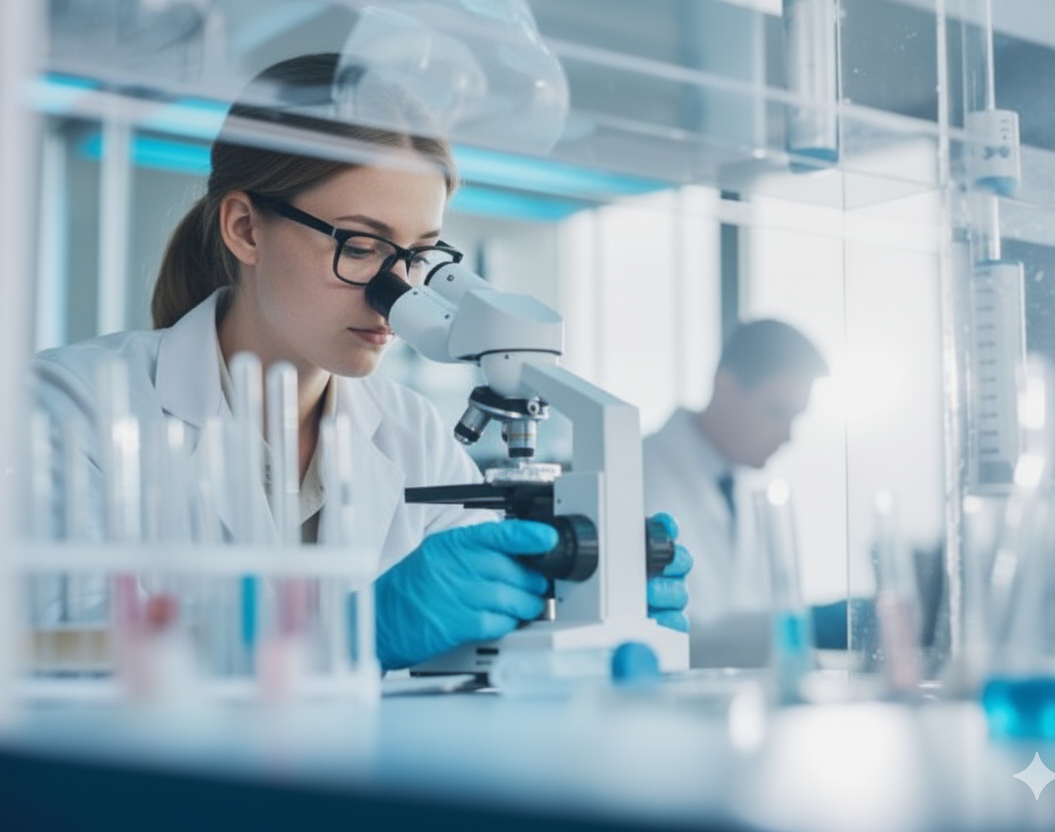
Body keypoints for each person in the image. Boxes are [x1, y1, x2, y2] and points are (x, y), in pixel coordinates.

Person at [34, 53, 691, 672]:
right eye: (362, 245)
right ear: (245, 228)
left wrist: (588, 597)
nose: (396, 292)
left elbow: (486, 645)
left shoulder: (415, 437)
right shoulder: (74, 406)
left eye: (420, 255)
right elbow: (48, 653)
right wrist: (354, 630)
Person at [643, 319, 827, 667]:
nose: (788, 437)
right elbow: (659, 632)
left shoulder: (744, 490)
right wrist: (810, 623)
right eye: (777, 412)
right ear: (726, 388)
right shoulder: (638, 473)